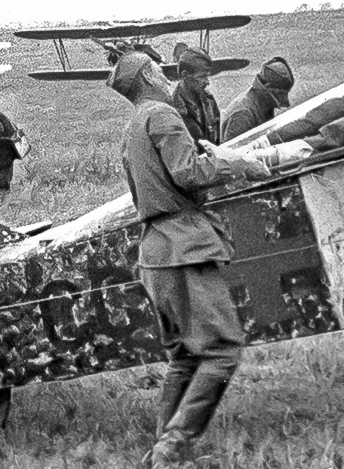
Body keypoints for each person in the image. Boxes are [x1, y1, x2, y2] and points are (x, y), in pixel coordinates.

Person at [111, 49, 275, 468]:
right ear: (148, 76)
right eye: (159, 71)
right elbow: (188, 174)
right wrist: (236, 164)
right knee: (222, 349)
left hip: (155, 252)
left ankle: (161, 449)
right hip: (183, 246)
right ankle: (172, 448)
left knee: (185, 357)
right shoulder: (163, 115)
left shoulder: (133, 125)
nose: (167, 77)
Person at [218, 57, 295, 142]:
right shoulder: (243, 114)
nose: (282, 102)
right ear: (267, 88)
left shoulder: (262, 105)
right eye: (279, 94)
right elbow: (233, 148)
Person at [170, 44, 223, 145]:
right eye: (202, 76)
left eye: (207, 76)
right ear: (185, 75)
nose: (207, 82)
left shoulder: (209, 100)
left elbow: (217, 141)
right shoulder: (173, 109)